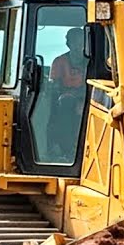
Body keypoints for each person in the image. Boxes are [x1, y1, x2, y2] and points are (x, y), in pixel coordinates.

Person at [46, 27, 88, 160]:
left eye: (81, 42)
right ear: (68, 44)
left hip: (88, 97)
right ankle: (67, 150)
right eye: (74, 42)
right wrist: (75, 97)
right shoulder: (59, 62)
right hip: (66, 101)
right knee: (66, 104)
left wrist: (84, 99)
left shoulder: (92, 63)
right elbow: (56, 88)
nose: (78, 46)